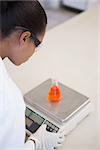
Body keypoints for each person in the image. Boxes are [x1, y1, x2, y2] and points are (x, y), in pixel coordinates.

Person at [0, 1, 65, 150]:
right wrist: (35, 143)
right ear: (24, 38)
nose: (35, 52)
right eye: (38, 45)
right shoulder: (9, 102)